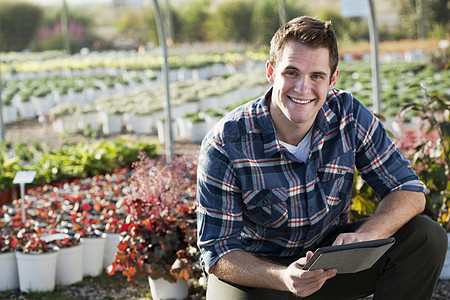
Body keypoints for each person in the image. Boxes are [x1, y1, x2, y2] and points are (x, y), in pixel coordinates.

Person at [196, 16, 447, 299]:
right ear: (270, 71)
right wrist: (283, 277)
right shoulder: (226, 142)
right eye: (291, 72)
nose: (303, 88)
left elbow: (409, 190)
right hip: (260, 271)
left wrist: (369, 234)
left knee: (426, 237)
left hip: (328, 263)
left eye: (316, 76)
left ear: (332, 79)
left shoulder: (347, 115)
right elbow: (218, 251)